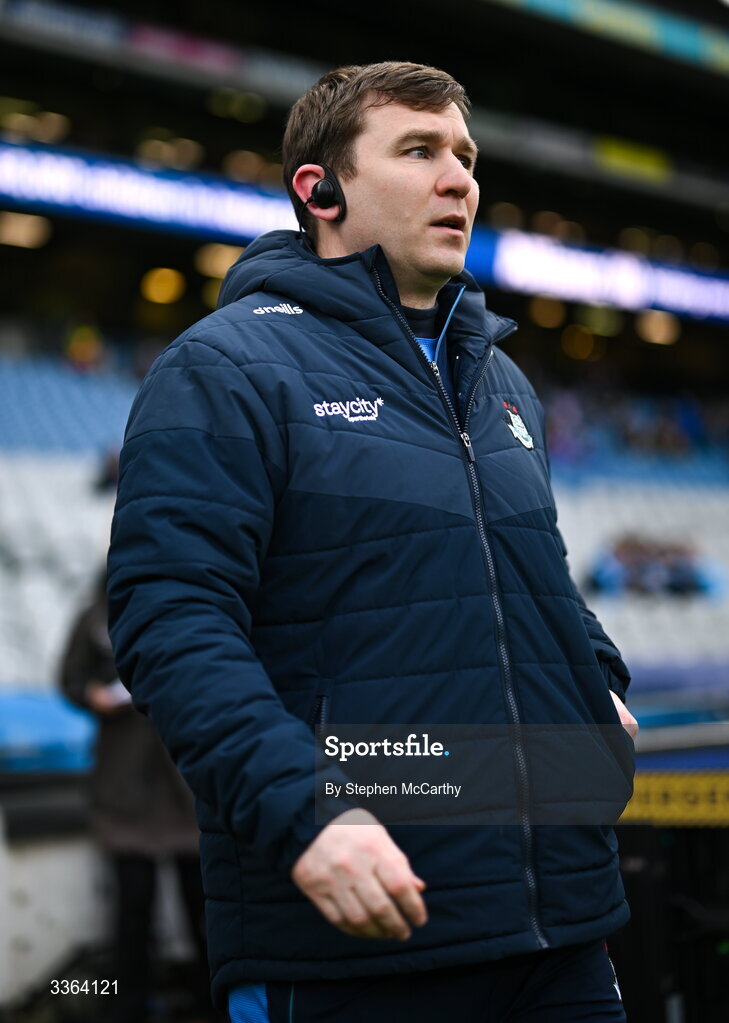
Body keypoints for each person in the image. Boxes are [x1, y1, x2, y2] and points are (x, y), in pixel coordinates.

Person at [108, 62, 639, 1023]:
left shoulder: (504, 383)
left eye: (466, 157)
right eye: (419, 151)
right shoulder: (225, 368)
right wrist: (310, 817)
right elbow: (172, 622)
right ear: (320, 190)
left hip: (562, 930)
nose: (459, 180)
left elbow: (534, 583)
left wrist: (596, 677)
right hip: (352, 944)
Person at [61, 570, 212, 1023]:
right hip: (123, 787)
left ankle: (211, 1001)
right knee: (132, 910)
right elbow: (69, 679)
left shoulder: (195, 606)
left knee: (204, 907)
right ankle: (128, 1005)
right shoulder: (95, 615)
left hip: (186, 786)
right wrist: (92, 696)